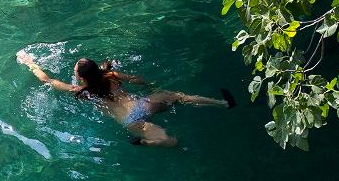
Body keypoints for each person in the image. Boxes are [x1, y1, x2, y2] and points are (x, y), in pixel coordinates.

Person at [16, 51, 234, 147]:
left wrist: (30, 63)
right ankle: (223, 103)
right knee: (177, 96)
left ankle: (146, 143)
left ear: (81, 77)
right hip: (142, 104)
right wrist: (151, 86)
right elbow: (137, 79)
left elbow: (47, 80)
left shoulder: (81, 91)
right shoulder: (110, 75)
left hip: (131, 120)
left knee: (170, 141)